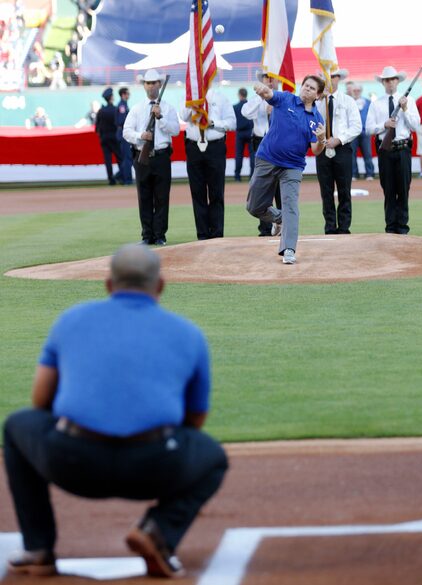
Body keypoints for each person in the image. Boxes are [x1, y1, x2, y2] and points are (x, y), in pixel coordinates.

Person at [3, 243, 228, 580]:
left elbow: (40, 401)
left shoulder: (71, 320)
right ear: (160, 285)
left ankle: (38, 548)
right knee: (213, 456)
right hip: (154, 466)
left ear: (108, 284)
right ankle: (159, 530)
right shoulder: (188, 333)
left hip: (73, 464)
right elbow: (195, 419)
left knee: (17, 426)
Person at [246, 74, 326, 265]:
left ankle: (289, 249)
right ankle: (280, 218)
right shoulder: (286, 99)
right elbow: (268, 94)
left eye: (312, 88)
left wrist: (322, 139)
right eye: (306, 85)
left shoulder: (317, 118)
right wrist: (260, 87)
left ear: (318, 95)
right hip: (267, 159)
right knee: (254, 207)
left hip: (293, 167)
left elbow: (316, 150)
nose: (307, 89)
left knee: (291, 205)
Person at [123, 69, 179, 245]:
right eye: (148, 83)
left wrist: (160, 117)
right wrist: (141, 136)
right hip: (143, 157)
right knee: (144, 197)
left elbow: (175, 130)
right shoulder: (137, 108)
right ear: (144, 85)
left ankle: (160, 234)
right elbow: (126, 131)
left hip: (162, 156)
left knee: (162, 198)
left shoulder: (168, 108)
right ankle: (147, 235)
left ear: (159, 85)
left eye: (154, 83)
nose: (151, 86)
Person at [366, 66, 421, 234]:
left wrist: (404, 109)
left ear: (398, 81)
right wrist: (384, 125)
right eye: (387, 80)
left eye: (393, 79)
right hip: (386, 151)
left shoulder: (409, 101)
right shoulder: (376, 104)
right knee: (388, 190)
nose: (390, 82)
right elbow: (368, 128)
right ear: (383, 82)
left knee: (403, 190)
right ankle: (390, 228)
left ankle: (402, 228)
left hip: (403, 148)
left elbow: (415, 125)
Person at [181, 88, 236, 240]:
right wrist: (192, 104)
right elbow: (183, 116)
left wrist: (213, 123)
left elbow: (232, 123)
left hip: (215, 147)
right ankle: (202, 235)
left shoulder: (221, 97)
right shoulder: (188, 97)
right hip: (193, 147)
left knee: (216, 193)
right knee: (197, 193)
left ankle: (217, 234)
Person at [315, 69, 362, 235]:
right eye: (326, 77)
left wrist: (339, 139)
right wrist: (320, 100)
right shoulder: (317, 102)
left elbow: (357, 126)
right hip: (322, 148)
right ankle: (329, 227)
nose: (330, 80)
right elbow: (312, 123)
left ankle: (343, 228)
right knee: (326, 191)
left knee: (344, 190)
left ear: (338, 79)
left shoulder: (348, 101)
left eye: (333, 76)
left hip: (342, 149)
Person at [242, 71, 282, 236]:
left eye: (273, 78)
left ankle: (284, 223)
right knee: (261, 185)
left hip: (280, 145)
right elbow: (246, 112)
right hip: (260, 144)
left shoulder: (284, 98)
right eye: (266, 78)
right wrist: (262, 96)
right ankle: (265, 227)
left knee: (281, 186)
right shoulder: (256, 99)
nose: (270, 81)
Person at [95, 87, 123, 186]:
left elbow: (97, 127)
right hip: (114, 137)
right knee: (120, 157)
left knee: (108, 160)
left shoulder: (101, 111)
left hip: (104, 138)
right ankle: (122, 177)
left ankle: (111, 179)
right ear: (111, 97)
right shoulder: (116, 109)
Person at [350, 83, 375, 180]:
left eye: (358, 90)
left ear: (361, 91)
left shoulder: (368, 102)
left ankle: (370, 173)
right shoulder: (349, 102)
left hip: (365, 132)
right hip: (352, 133)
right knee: (352, 154)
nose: (356, 92)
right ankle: (354, 174)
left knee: (367, 154)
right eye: (354, 90)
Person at [233, 88, 254, 181]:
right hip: (250, 132)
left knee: (238, 155)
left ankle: (237, 176)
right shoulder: (251, 105)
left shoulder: (235, 107)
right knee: (252, 154)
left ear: (239, 95)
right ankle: (252, 175)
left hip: (240, 133)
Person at [115, 87, 133, 185]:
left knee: (127, 157)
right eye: (127, 93)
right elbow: (122, 121)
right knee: (127, 157)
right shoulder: (122, 106)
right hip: (123, 134)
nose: (128, 95)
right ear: (123, 94)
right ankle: (127, 179)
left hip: (123, 134)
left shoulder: (123, 105)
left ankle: (120, 176)